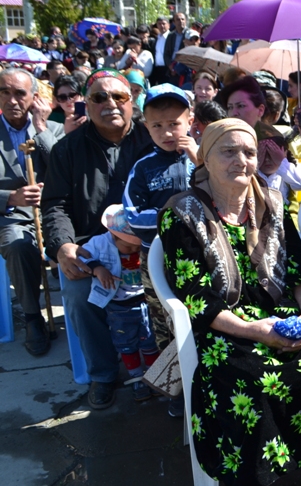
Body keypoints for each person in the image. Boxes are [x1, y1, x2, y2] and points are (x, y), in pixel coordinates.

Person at [158, 117, 301, 484]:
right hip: (226, 324)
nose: (241, 160)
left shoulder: (272, 203)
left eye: (249, 152)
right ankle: (258, 471)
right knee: (253, 377)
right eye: (229, 151)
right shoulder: (181, 214)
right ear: (205, 158)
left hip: (279, 313)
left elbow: (300, 269)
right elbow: (197, 297)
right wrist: (254, 330)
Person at [42, 69, 155, 410]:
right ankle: (103, 374)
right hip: (94, 249)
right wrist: (63, 246)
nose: (111, 104)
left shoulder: (153, 139)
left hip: (149, 244)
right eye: (99, 97)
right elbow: (55, 205)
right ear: (86, 104)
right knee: (78, 295)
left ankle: (164, 367)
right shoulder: (67, 149)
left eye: (119, 96)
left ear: (132, 101)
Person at [122, 83, 195, 345]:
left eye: (174, 124)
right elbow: (133, 215)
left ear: (190, 121)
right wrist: (174, 218)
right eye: (157, 126)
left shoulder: (203, 158)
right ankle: (169, 366)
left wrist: (200, 160)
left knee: (199, 310)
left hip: (199, 251)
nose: (166, 133)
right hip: (157, 254)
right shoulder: (143, 167)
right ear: (146, 127)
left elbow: (219, 196)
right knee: (163, 317)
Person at [0, 68, 65, 356]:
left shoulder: (53, 129)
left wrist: (40, 128)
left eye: (20, 93)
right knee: (18, 245)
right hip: (11, 218)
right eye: (5, 92)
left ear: (34, 97)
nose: (12, 100)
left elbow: (64, 169)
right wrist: (10, 197)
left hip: (52, 214)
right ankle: (32, 317)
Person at [79, 204, 159, 401]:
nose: (134, 250)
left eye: (137, 246)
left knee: (150, 340)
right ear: (113, 236)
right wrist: (97, 268)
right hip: (118, 307)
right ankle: (136, 377)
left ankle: (154, 375)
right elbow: (82, 257)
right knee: (126, 343)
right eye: (129, 247)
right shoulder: (99, 243)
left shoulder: (145, 244)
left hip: (145, 301)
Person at [217, 75, 277, 141]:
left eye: (241, 106)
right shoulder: (224, 137)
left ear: (260, 110)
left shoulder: (271, 141)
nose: (234, 113)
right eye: (230, 107)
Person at [150, 17, 171, 85]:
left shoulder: (172, 37)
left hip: (168, 69)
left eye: (163, 24)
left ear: (168, 25)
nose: (162, 26)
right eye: (159, 24)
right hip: (157, 69)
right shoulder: (157, 38)